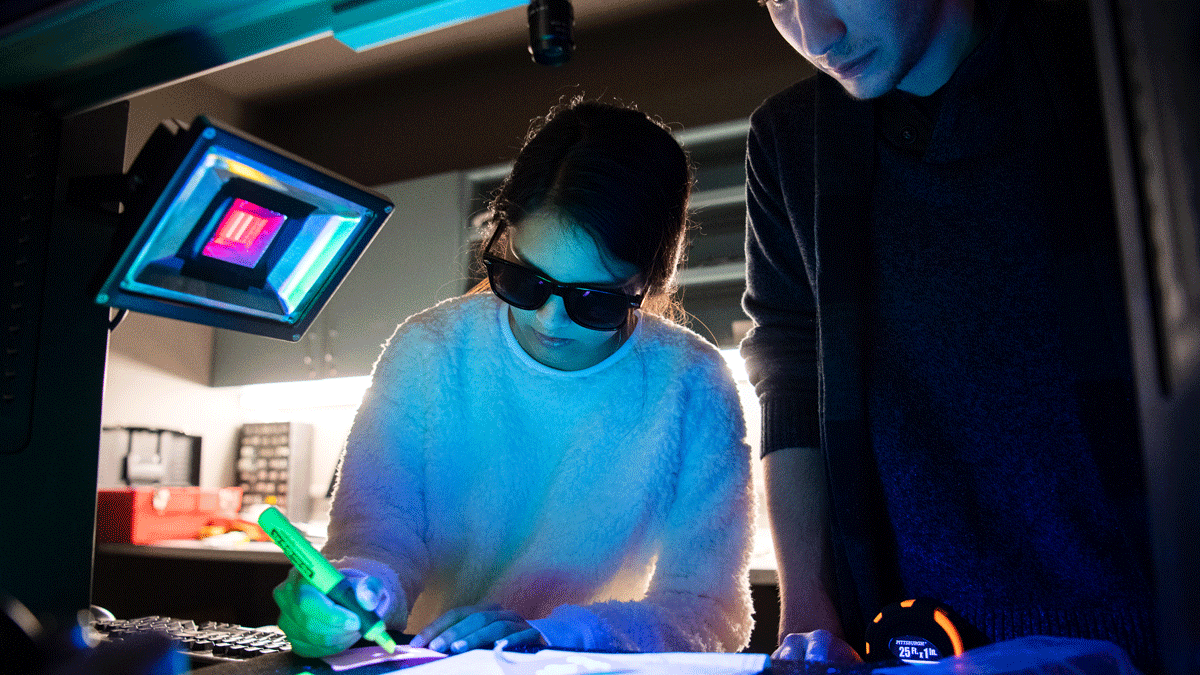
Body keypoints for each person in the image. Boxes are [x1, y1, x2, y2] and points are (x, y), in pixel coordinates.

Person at [741, 0, 1159, 671]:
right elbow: (788, 370)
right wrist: (808, 607)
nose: (814, 34)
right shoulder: (790, 142)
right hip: (910, 639)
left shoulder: (1120, 58)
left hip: (1151, 615)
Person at [271, 98, 756, 659]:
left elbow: (712, 612)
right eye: (523, 280)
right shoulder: (431, 350)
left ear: (648, 282)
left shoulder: (692, 383)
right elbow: (375, 538)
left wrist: (554, 638)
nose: (549, 321)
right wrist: (349, 593)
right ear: (499, 237)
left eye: (595, 302)